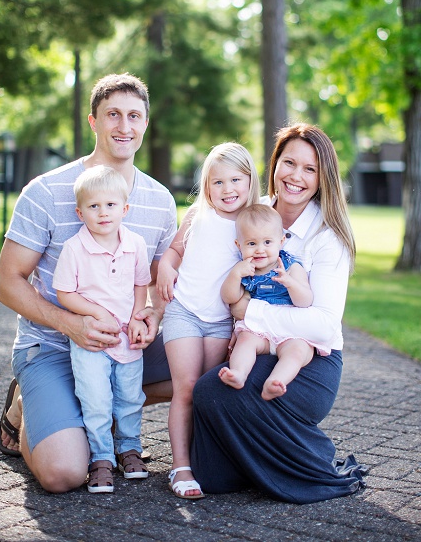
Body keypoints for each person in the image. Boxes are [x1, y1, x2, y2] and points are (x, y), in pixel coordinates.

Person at [0, 72, 177, 493]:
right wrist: (69, 323)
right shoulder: (47, 191)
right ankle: (27, 404)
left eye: (134, 116)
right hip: (55, 346)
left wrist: (152, 312)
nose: (124, 126)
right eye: (113, 115)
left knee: (206, 363)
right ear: (93, 121)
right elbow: (6, 284)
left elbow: (157, 283)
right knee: (64, 474)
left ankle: (92, 409)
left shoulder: (160, 201)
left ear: (146, 123)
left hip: (125, 346)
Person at [191, 123, 368, 504]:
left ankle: (312, 458)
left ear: (323, 178)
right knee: (211, 476)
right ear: (274, 166)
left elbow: (323, 323)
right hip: (251, 346)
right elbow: (203, 245)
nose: (296, 176)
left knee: (210, 391)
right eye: (289, 163)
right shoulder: (250, 214)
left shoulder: (328, 236)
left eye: (310, 169)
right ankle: (254, 461)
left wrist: (247, 310)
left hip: (308, 362)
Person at [155, 142, 261, 500]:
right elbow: (173, 252)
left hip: (221, 322)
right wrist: (167, 267)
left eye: (236, 180)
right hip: (184, 311)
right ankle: (180, 466)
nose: (227, 189)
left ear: (250, 181)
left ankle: (205, 457)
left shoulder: (252, 224)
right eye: (217, 182)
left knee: (205, 389)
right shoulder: (198, 216)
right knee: (184, 386)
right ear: (206, 186)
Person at [52, 165, 151, 493]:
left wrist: (138, 317)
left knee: (129, 397)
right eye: (94, 206)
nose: (103, 213)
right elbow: (65, 292)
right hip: (91, 342)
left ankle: (130, 449)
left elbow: (141, 284)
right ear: (81, 213)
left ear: (124, 209)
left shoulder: (135, 244)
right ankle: (101, 458)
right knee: (95, 400)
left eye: (110, 205)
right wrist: (96, 311)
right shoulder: (75, 249)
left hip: (127, 341)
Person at [219, 204, 316, 400]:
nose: (259, 250)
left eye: (267, 242)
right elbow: (229, 298)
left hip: (290, 331)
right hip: (259, 332)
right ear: (239, 245)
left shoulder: (291, 266)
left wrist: (290, 283)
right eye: (252, 244)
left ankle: (276, 381)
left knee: (298, 351)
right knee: (245, 341)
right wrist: (235, 274)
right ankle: (239, 373)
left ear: (281, 242)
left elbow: (305, 301)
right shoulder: (246, 270)